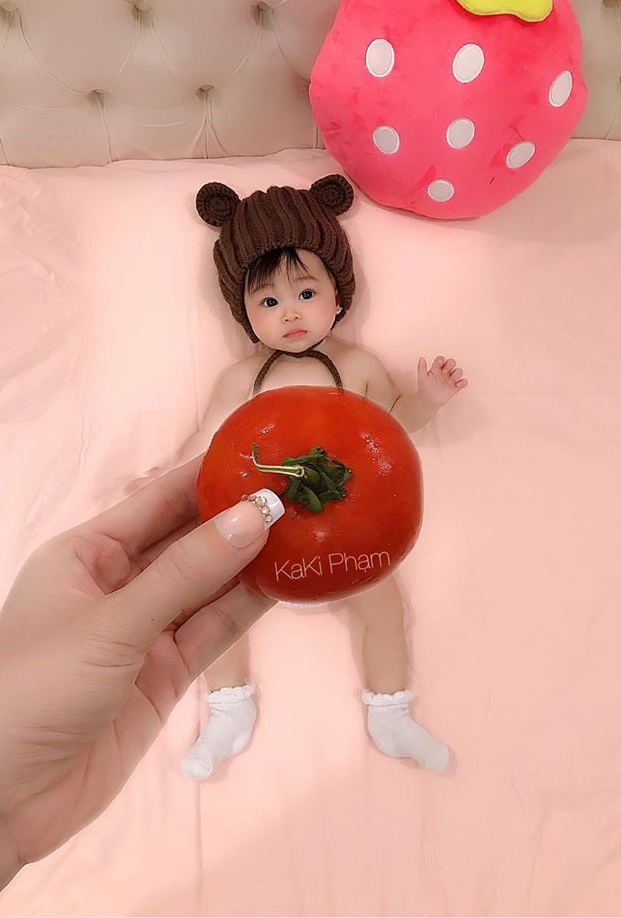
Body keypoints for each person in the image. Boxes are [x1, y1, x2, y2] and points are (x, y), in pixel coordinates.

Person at [180, 173, 469, 780]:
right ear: (244, 315)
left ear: (338, 295)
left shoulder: (357, 365)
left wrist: (427, 399)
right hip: (260, 524)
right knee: (215, 607)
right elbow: (207, 443)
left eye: (306, 293)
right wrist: (164, 475)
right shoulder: (242, 379)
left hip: (345, 524)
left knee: (385, 607)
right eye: (268, 302)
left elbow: (393, 430)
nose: (290, 312)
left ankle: (391, 712)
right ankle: (228, 709)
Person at [0, 456, 282, 916]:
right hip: (244, 523)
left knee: (365, 603)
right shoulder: (239, 430)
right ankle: (231, 700)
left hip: (306, 540)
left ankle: (386, 698)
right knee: (210, 614)